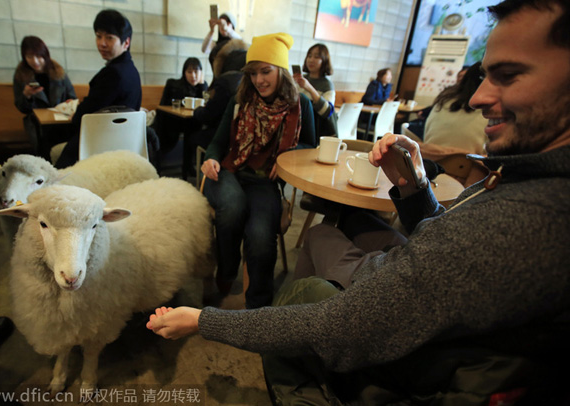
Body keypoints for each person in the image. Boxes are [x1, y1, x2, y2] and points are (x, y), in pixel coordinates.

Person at [147, 0, 570, 404]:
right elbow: (446, 238)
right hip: (239, 176)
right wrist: (415, 187)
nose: (477, 97)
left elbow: (343, 323)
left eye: (509, 75)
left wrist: (201, 321)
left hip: (399, 347)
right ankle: (236, 285)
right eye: (484, 76)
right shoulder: (525, 175)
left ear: (279, 73)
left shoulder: (529, 219)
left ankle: (291, 351)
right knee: (287, 218)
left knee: (275, 236)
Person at [198, 32, 315, 309]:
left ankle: (258, 307)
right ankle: (226, 275)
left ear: (281, 71)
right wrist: (211, 158)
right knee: (233, 204)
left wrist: (287, 156)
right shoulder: (241, 100)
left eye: (266, 71)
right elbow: (217, 141)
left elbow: (310, 144)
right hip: (228, 171)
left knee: (262, 237)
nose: (259, 80)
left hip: (264, 183)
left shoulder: (301, 105)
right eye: (253, 73)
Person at [55, 9, 141, 169]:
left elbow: (82, 118)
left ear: (126, 42)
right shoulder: (131, 70)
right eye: (99, 36)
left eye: (109, 38)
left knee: (54, 150)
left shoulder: (112, 74)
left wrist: (77, 114)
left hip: (98, 149)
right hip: (124, 147)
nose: (102, 43)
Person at [184, 40, 249, 177]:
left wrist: (197, 111)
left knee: (192, 137)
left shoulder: (224, 82)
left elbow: (208, 116)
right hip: (242, 139)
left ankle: (200, 176)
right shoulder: (247, 80)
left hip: (224, 138)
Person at [13, 36, 76, 158]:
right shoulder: (21, 75)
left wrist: (70, 103)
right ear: (24, 57)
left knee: (65, 148)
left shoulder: (58, 71)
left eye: (38, 56)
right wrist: (27, 95)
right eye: (30, 57)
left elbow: (72, 96)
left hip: (61, 122)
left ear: (45, 55)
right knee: (45, 148)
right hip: (37, 124)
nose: (35, 61)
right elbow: (21, 108)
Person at [423, 62, 488, 154]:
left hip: (428, 161)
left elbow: (427, 134)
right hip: (467, 166)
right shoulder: (488, 110)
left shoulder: (444, 100)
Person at [154, 58, 208, 154]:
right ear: (184, 73)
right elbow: (164, 105)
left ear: (201, 73)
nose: (193, 76)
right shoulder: (173, 84)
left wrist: (202, 84)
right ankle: (187, 166)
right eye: (189, 72)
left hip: (191, 122)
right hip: (172, 121)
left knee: (193, 128)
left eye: (196, 72)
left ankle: (188, 166)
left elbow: (205, 102)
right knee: (191, 129)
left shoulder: (202, 86)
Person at [293, 43, 337, 138]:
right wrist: (291, 83)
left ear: (324, 60)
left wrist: (309, 87)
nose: (311, 60)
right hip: (297, 127)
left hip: (315, 132)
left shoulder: (327, 84)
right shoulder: (300, 80)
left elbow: (327, 112)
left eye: (316, 57)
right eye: (309, 56)